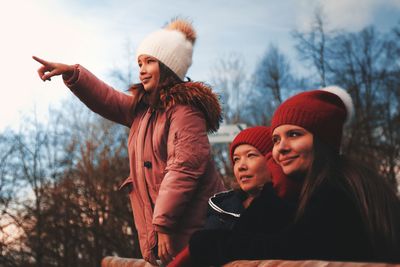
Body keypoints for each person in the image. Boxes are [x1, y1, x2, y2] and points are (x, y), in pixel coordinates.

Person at [33, 18, 225, 265]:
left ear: (169, 67)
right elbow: (107, 98)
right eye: (140, 63)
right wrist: (72, 73)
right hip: (166, 235)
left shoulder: (186, 112)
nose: (142, 69)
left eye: (150, 62)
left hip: (191, 233)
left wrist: (163, 225)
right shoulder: (143, 112)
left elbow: (183, 169)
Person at [176, 86, 400, 266]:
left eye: (294, 134)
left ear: (322, 140)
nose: (281, 148)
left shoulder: (339, 187)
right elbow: (252, 232)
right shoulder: (306, 188)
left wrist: (209, 244)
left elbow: (295, 248)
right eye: (275, 140)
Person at [168, 126, 300, 267]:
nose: (241, 166)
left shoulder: (291, 205)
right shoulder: (220, 207)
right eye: (236, 159)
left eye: (251, 155)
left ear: (273, 160)